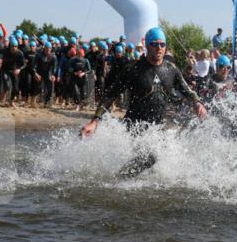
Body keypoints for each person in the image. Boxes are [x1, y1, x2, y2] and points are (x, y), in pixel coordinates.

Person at [80, 27, 207, 176]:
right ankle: (120, 179)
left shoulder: (171, 69)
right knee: (150, 157)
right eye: (154, 44)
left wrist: (197, 103)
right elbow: (110, 95)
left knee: (165, 157)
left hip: (156, 128)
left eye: (162, 44)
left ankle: (125, 179)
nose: (159, 48)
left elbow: (187, 90)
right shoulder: (133, 69)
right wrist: (94, 121)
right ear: (147, 45)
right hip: (134, 126)